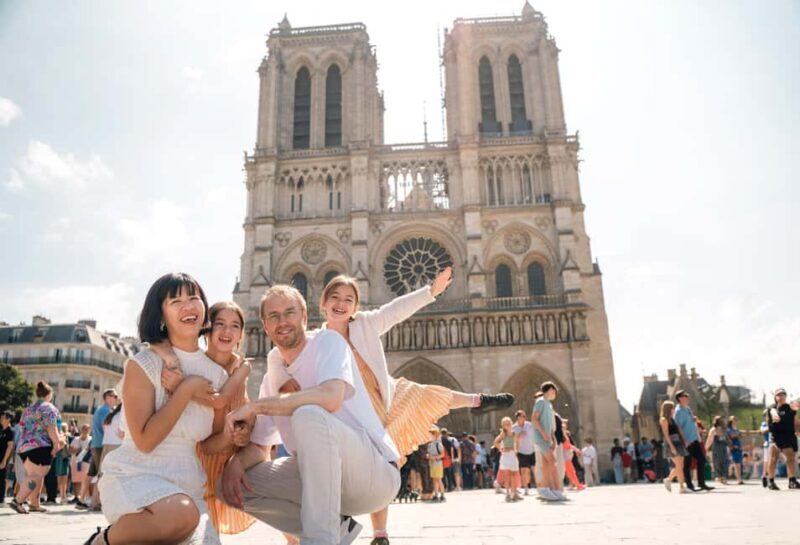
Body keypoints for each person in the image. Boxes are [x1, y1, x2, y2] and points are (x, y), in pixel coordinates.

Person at [267, 270, 513, 545]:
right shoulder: (313, 340)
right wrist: (283, 380)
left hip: (385, 398)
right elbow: (278, 354)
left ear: (355, 308)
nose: (341, 303)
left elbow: (395, 311)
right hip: (355, 416)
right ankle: (377, 533)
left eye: (349, 299)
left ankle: (477, 400)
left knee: (425, 395)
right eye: (334, 297)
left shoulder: (365, 324)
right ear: (322, 304)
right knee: (378, 464)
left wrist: (430, 292)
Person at [218, 284, 402, 545]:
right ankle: (337, 530)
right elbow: (260, 446)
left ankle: (320, 540)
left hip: (373, 476)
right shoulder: (273, 378)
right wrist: (233, 467)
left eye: (289, 313)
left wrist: (257, 406)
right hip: (322, 483)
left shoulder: (328, 342)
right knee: (232, 487)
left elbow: (331, 396)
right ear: (265, 325)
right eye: (274, 316)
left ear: (304, 317)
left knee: (309, 415)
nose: (283, 321)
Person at [86, 272, 231, 545]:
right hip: (137, 477)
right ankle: (102, 541)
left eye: (194, 298)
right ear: (161, 315)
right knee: (180, 514)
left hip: (189, 489)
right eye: (175, 301)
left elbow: (211, 443)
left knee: (186, 515)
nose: (188, 306)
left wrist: (237, 433)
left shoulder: (217, 374)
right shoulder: (143, 364)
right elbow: (145, 441)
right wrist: (186, 390)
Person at [151, 301, 257, 535]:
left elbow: (222, 403)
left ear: (241, 334)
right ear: (206, 330)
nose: (226, 331)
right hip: (197, 454)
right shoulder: (190, 362)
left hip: (228, 451)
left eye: (234, 326)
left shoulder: (242, 367)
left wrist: (184, 386)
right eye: (219, 324)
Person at [10, 381, 64, 514]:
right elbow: (52, 428)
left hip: (24, 446)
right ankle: (17, 501)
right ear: (49, 394)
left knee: (36, 475)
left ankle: (34, 504)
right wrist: (57, 444)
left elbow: (22, 428)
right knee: (36, 475)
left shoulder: (28, 409)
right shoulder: (49, 408)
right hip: (41, 446)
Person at [81, 388, 118, 511]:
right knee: (102, 474)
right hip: (102, 445)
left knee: (92, 474)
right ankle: (96, 503)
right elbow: (106, 426)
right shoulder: (106, 410)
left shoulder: (101, 409)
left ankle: (82, 499)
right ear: (107, 398)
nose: (116, 398)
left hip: (96, 444)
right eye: (114, 396)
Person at [674, 390, 713, 492]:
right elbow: (678, 427)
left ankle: (701, 483)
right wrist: (685, 440)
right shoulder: (678, 412)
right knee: (687, 464)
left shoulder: (687, 409)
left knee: (701, 460)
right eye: (685, 396)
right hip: (686, 441)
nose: (687, 398)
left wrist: (694, 420)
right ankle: (689, 485)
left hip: (694, 439)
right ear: (680, 399)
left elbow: (690, 422)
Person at [531, 384, 565, 501]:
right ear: (549, 390)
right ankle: (544, 488)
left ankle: (555, 490)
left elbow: (550, 425)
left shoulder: (549, 405)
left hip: (548, 438)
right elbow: (534, 419)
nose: (555, 394)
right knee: (552, 461)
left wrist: (553, 438)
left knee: (547, 463)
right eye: (554, 391)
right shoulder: (540, 401)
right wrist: (543, 434)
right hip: (541, 437)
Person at [765, 388, 799, 490]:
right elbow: (774, 414)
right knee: (773, 459)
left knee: (791, 458)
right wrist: (775, 416)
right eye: (778, 395)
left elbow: (794, 420)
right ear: (775, 397)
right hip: (776, 436)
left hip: (788, 436)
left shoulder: (789, 407)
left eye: (783, 394)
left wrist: (798, 429)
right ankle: (770, 481)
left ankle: (792, 481)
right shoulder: (772, 408)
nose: (781, 396)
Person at [659, 400, 688, 493]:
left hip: (678, 442)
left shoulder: (672, 419)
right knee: (679, 465)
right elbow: (666, 434)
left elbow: (678, 431)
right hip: (671, 443)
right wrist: (671, 447)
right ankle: (681, 487)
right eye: (672, 408)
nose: (674, 409)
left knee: (680, 465)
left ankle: (669, 479)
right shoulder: (664, 420)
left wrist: (684, 440)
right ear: (668, 409)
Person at [494, 417, 522, 502]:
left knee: (514, 474)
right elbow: (496, 442)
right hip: (506, 455)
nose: (508, 425)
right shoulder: (503, 433)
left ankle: (513, 492)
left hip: (512, 455)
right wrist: (501, 449)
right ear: (503, 425)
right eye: (505, 424)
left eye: (509, 423)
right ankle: (507, 493)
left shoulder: (514, 434)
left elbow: (517, 442)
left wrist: (516, 450)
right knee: (507, 475)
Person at [512, 410, 535, 495]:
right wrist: (518, 436)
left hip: (532, 450)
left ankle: (539, 486)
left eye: (525, 416)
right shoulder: (513, 428)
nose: (524, 418)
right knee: (524, 470)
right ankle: (525, 487)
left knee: (533, 470)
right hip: (521, 451)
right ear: (518, 417)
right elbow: (511, 440)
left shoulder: (529, 425)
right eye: (522, 416)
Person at [70, 424, 92, 506]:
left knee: (85, 479)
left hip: (86, 461)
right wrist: (76, 450)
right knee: (76, 480)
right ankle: (76, 496)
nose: (85, 430)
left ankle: (86, 496)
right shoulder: (76, 439)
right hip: (76, 461)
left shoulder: (91, 439)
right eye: (84, 428)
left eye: (87, 429)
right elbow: (70, 450)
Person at [705, 416, 730, 484]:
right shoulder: (718, 430)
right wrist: (706, 447)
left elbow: (710, 439)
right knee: (720, 462)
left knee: (720, 462)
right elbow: (710, 439)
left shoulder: (719, 430)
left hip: (720, 448)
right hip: (720, 448)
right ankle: (722, 477)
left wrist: (705, 448)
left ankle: (721, 477)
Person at [561, 419, 584, 490]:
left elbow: (568, 444)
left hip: (566, 455)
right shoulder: (562, 435)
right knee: (570, 471)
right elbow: (566, 445)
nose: (565, 426)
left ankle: (577, 485)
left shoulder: (565, 435)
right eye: (564, 425)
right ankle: (577, 485)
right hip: (565, 455)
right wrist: (575, 449)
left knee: (570, 471)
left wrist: (575, 449)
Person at [426, 426, 446, 502]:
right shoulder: (429, 445)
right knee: (434, 479)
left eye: (430, 434)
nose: (429, 436)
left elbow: (442, 454)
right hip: (432, 464)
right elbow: (428, 454)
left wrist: (434, 457)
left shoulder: (439, 444)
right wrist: (428, 456)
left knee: (439, 479)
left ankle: (442, 494)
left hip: (438, 463)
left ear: (435, 435)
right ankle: (436, 494)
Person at [54, 423, 71, 503]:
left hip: (62, 458)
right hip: (62, 458)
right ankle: (62, 496)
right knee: (63, 478)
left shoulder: (65, 436)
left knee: (62, 478)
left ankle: (63, 496)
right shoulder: (64, 436)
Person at [1, 410, 15, 504]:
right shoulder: (2, 430)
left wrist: (4, 460)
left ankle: (1, 499)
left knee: (1, 478)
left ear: (8, 419)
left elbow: (10, 447)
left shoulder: (10, 431)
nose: (1, 418)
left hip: (3, 458)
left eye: (3, 417)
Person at [727, 416, 744, 485]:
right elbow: (731, 436)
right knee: (736, 463)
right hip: (734, 447)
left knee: (739, 464)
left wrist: (738, 434)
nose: (736, 421)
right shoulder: (729, 429)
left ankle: (740, 478)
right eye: (734, 420)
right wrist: (738, 434)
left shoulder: (736, 429)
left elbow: (739, 435)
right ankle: (738, 479)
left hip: (738, 446)